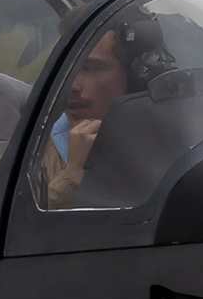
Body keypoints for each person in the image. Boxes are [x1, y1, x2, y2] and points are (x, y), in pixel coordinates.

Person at [32, 27, 134, 210]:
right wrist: (71, 175)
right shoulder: (28, 152)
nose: (72, 86)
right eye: (66, 70)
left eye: (89, 68)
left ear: (132, 76)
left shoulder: (165, 148)